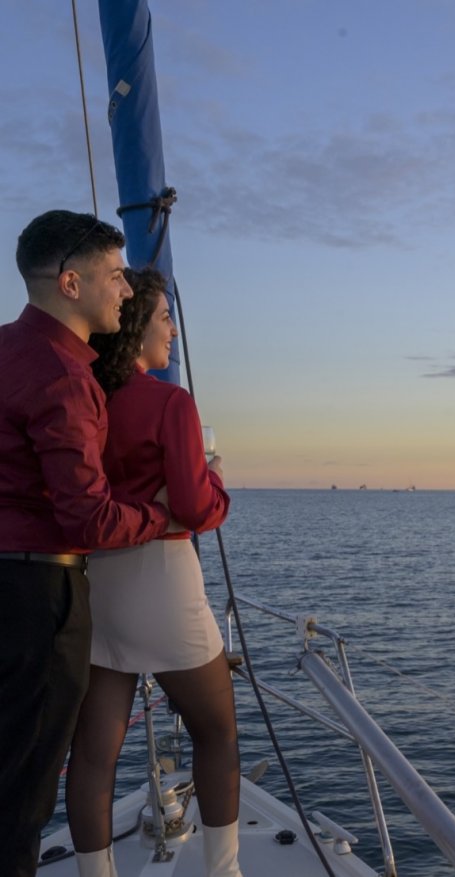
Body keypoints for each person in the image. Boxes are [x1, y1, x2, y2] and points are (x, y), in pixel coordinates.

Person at [0, 211, 173, 876]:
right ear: (70, 283)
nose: (128, 292)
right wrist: (157, 514)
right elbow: (90, 519)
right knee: (20, 799)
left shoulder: (9, 349)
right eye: (114, 277)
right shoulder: (63, 376)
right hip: (38, 598)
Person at [64, 267, 242, 877]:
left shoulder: (82, 396)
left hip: (95, 585)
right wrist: (214, 477)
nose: (173, 331)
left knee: (93, 754)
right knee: (216, 733)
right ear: (136, 326)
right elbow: (195, 509)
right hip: (163, 581)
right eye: (165, 318)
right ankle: (223, 871)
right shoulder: (171, 401)